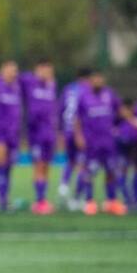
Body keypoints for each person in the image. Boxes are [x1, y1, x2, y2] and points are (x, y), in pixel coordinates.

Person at [75, 70, 128, 216]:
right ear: (90, 81)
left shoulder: (110, 94)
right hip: (92, 141)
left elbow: (121, 111)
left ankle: (111, 202)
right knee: (90, 171)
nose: (98, 81)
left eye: (100, 78)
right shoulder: (83, 97)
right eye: (95, 79)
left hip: (108, 141)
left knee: (111, 170)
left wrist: (127, 123)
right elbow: (77, 118)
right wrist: (79, 136)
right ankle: (89, 201)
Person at [20, 58, 58, 215]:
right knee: (39, 165)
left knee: (47, 166)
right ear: (38, 70)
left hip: (49, 132)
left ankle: (43, 198)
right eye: (44, 70)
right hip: (36, 133)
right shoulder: (30, 82)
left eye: (49, 70)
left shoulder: (52, 85)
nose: (47, 73)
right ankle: (39, 200)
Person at [0, 61, 23, 212]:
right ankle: (1, 199)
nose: (13, 73)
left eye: (15, 71)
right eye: (10, 70)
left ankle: (5, 196)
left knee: (9, 166)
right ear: (2, 70)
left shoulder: (17, 88)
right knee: (0, 164)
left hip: (13, 133)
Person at [58, 67, 91, 211]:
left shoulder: (68, 89)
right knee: (84, 164)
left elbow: (60, 109)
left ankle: (64, 185)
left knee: (70, 160)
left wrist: (60, 131)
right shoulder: (87, 91)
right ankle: (76, 199)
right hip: (81, 132)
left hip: (67, 130)